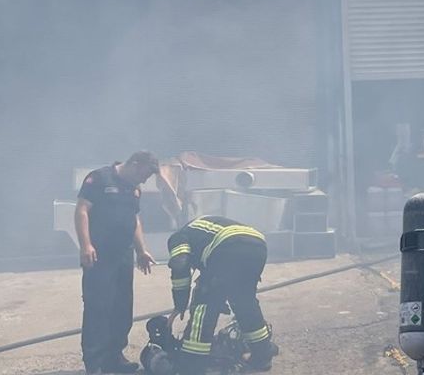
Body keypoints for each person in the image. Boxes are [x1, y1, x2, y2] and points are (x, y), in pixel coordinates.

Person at [76, 151, 161, 374]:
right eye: (144, 174)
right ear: (134, 163)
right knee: (98, 307)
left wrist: (142, 250)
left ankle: (115, 357)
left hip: (124, 255)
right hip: (99, 255)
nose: (144, 180)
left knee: (122, 308)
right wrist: (86, 245)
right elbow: (82, 210)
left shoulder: (134, 189)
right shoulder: (99, 178)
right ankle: (94, 363)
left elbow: (135, 219)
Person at [166, 215, 276, 373]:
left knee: (205, 304)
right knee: (245, 302)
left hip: (228, 247)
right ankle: (262, 355)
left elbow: (180, 263)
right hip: (257, 245)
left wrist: (180, 304)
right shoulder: (203, 228)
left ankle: (193, 363)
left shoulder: (178, 236)